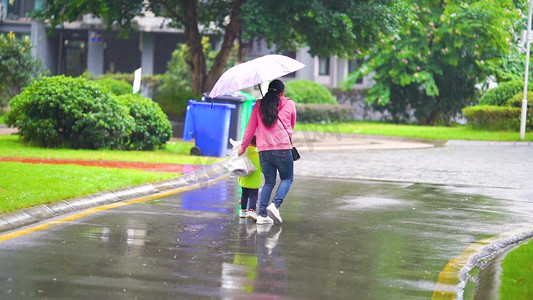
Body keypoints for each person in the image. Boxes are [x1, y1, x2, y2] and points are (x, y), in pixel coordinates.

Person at [238, 79, 296, 225]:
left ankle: (262, 215)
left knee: (269, 182)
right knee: (287, 178)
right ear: (282, 92)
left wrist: (243, 147)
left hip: (264, 150)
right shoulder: (289, 104)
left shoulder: (258, 105)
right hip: (283, 148)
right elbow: (292, 125)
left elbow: (250, 129)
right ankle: (275, 205)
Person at [238, 136, 262, 220]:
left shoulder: (243, 151)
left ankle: (243, 211)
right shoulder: (259, 154)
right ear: (256, 144)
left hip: (244, 178)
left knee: (244, 194)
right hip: (254, 180)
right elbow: (262, 168)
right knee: (253, 195)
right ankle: (251, 211)